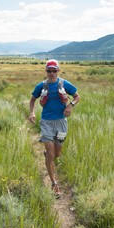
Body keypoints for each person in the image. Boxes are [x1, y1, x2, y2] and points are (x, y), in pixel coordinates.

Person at [28, 59, 80, 198]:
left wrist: (70, 106)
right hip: (46, 123)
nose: (51, 73)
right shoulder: (42, 86)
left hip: (61, 123)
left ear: (58, 71)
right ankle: (54, 184)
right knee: (51, 154)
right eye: (49, 71)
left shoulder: (64, 84)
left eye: (54, 71)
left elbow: (77, 97)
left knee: (57, 154)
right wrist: (32, 112)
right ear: (46, 71)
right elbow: (32, 99)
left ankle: (48, 156)